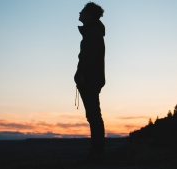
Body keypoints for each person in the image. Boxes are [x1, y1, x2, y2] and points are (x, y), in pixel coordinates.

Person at [74, 2, 106, 162]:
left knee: (94, 116)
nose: (79, 14)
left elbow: (90, 56)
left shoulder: (92, 31)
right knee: (94, 116)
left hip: (89, 79)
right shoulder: (93, 31)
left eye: (82, 11)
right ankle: (97, 153)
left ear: (89, 15)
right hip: (91, 78)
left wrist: (82, 76)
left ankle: (97, 154)